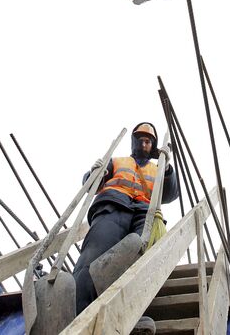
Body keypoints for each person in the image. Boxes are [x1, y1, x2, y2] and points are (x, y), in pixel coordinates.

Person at [73, 122, 179, 334]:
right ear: (134, 142)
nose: (144, 142)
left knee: (138, 261)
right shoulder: (117, 161)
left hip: (144, 213)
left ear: (154, 145)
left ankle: (128, 316)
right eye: (140, 139)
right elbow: (90, 186)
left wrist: (167, 169)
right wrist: (94, 173)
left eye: (148, 140)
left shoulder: (159, 169)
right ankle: (79, 316)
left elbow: (170, 194)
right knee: (94, 255)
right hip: (113, 205)